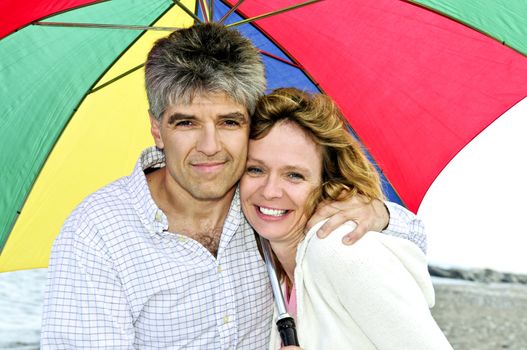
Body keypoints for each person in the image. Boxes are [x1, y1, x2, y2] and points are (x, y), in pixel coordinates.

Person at [41, 23, 427, 348]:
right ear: (157, 128)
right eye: (186, 122)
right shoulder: (97, 235)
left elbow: (410, 244)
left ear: (250, 123)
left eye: (229, 122)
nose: (210, 148)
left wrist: (377, 214)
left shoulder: (264, 201)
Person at [240, 87, 452, 349]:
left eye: (294, 175)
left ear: (327, 181)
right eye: (256, 169)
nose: (270, 191)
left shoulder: (339, 250)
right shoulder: (277, 272)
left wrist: (383, 214)